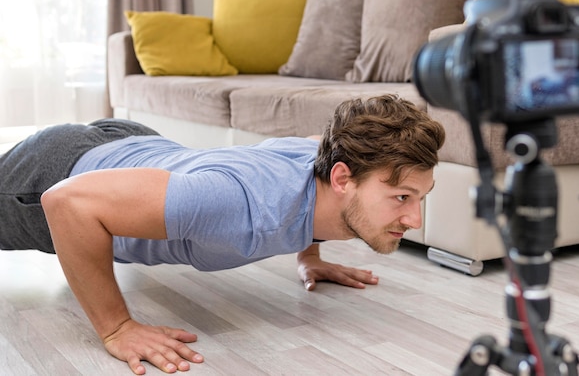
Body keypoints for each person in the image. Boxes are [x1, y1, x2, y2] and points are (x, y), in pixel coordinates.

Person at [0, 94, 445, 375]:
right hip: (50, 176)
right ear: (345, 179)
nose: (414, 220)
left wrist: (310, 254)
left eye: (419, 197)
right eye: (402, 197)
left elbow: (314, 150)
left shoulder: (333, 169)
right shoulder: (234, 203)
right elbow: (67, 203)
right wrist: (118, 328)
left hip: (133, 145)